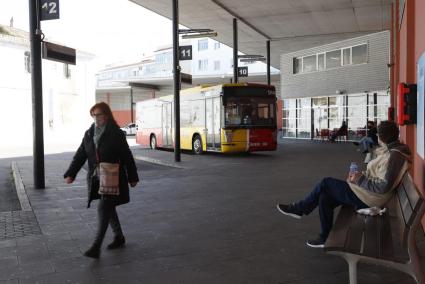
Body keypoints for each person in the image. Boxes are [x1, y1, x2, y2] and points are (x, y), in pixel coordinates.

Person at [276, 121, 411, 248]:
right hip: (365, 193)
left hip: (369, 198)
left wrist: (359, 179)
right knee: (325, 196)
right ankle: (324, 236)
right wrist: (358, 177)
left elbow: (383, 187)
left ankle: (300, 209)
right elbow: (378, 175)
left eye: (377, 134)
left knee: (325, 183)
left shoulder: (395, 156)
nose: (376, 137)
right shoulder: (392, 151)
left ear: (382, 137)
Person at [64, 102, 139, 258]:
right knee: (108, 207)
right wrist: (71, 173)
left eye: (99, 114)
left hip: (113, 176)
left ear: (106, 115)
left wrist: (132, 177)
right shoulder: (89, 134)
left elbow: (127, 156)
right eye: (93, 115)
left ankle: (96, 246)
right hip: (96, 178)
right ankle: (119, 237)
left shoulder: (116, 134)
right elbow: (80, 155)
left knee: (103, 207)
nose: (96, 118)